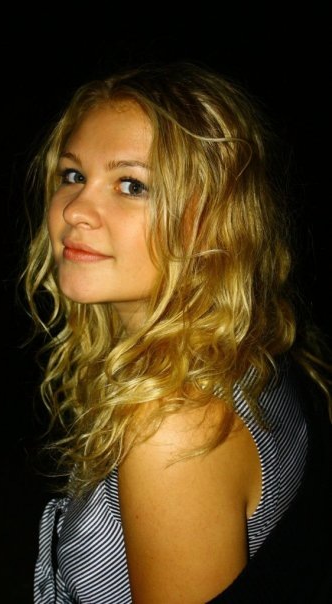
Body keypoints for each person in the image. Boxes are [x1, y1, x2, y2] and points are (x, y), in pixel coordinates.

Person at [22, 61, 332, 603]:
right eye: (73, 176)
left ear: (214, 220)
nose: (76, 211)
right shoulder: (252, 344)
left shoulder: (175, 427)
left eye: (131, 185)